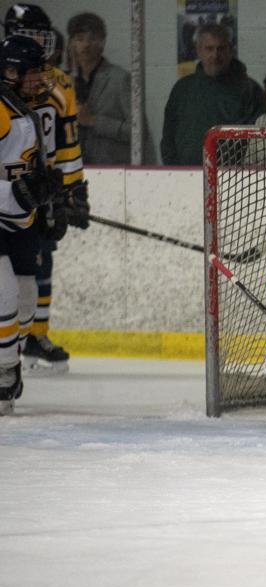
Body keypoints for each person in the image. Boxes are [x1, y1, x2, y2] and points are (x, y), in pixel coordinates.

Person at [5, 4, 88, 374]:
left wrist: (72, 190)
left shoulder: (58, 83)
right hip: (10, 192)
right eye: (32, 36)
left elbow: (67, 144)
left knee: (39, 259)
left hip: (42, 189)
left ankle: (33, 335)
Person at [0, 35, 65, 414]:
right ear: (11, 72)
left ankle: (8, 364)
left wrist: (51, 202)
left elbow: (38, 168)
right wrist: (15, 193)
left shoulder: (34, 110)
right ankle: (4, 371)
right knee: (4, 292)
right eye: (33, 71)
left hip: (20, 220)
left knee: (25, 299)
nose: (40, 78)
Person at [161, 22, 266, 166]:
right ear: (199, 51)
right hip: (184, 174)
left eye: (221, 48)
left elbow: (259, 139)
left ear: (230, 50)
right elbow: (168, 136)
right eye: (209, 48)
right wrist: (173, 170)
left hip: (234, 175)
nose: (215, 55)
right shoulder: (182, 89)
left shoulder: (250, 90)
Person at [67, 12, 155, 165]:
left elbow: (140, 132)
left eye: (92, 39)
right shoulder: (66, 82)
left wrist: (94, 121)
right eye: (80, 39)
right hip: (75, 169)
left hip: (113, 170)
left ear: (103, 41)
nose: (86, 45)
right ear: (72, 43)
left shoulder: (120, 79)